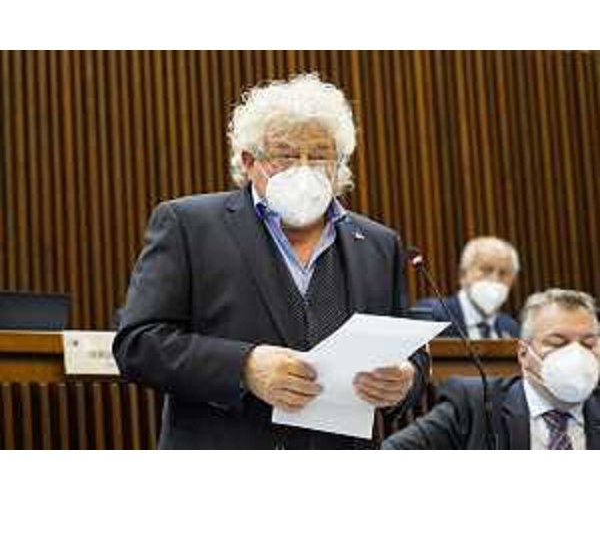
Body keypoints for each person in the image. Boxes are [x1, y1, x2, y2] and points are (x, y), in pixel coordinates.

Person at [113, 73, 429, 449]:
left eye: (320, 156)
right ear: (249, 162)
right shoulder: (189, 226)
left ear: (340, 164)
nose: (304, 169)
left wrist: (407, 378)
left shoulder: (379, 243)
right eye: (286, 155)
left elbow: (407, 349)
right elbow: (138, 344)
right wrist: (244, 366)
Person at [383, 288, 600, 449]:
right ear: (523, 354)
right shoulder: (475, 405)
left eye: (589, 343)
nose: (577, 354)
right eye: (558, 342)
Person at [414, 236, 520, 339]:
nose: (494, 279)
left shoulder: (511, 328)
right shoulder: (430, 314)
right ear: (463, 275)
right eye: (486, 270)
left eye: (503, 273)